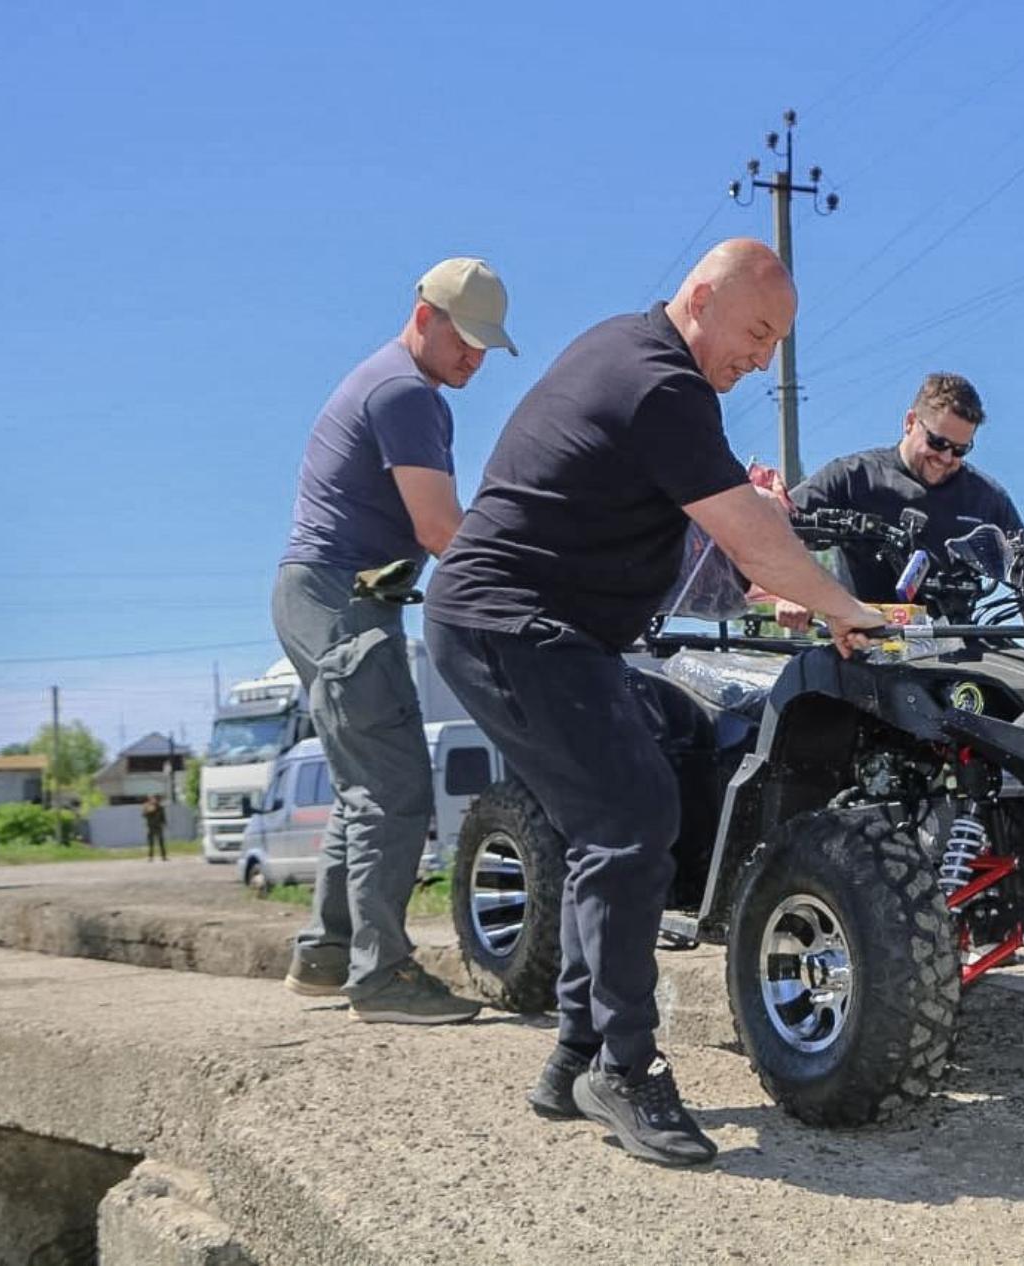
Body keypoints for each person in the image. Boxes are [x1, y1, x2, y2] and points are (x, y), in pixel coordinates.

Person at [423, 239, 879, 1167]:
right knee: (632, 823)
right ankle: (625, 1068)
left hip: (540, 630)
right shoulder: (659, 381)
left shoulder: (634, 355)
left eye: (775, 343)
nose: (761, 357)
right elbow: (747, 528)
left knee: (631, 805)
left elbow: (689, 533)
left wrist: (775, 588)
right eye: (756, 332)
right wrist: (845, 609)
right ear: (702, 298)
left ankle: (575, 1059)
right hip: (510, 624)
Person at [272, 256, 517, 1024]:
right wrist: (533, 577)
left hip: (318, 595)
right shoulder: (407, 392)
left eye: (486, 346)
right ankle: (381, 977)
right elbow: (442, 529)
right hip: (345, 601)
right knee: (396, 788)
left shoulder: (391, 382)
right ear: (423, 317)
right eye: (464, 340)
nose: (474, 358)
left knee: (361, 788)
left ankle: (328, 954)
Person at [774, 372, 1024, 628]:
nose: (946, 458)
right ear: (910, 422)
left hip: (957, 652)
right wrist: (793, 590)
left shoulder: (986, 497)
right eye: (937, 443)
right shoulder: (853, 476)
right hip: (864, 644)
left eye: (960, 450)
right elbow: (776, 525)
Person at [142, 795, 167, 862]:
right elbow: (143, 815)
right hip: (150, 827)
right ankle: (150, 857)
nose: (153, 800)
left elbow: (163, 816)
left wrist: (164, 823)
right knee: (151, 843)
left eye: (154, 799)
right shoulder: (147, 806)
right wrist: (149, 810)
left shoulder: (160, 807)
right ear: (149, 800)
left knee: (161, 842)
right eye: (151, 799)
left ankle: (163, 856)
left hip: (158, 827)